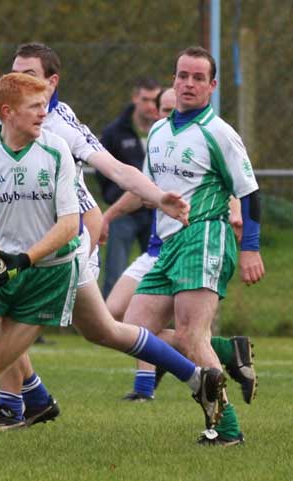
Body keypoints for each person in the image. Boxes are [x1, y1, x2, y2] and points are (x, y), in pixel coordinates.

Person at [0, 76, 227, 462]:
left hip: (46, 277)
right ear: (7, 112)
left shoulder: (56, 150)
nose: (44, 111)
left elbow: (70, 224)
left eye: (45, 102)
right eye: (35, 105)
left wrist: (24, 260)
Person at [114, 46, 264, 446]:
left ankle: (227, 429)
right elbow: (151, 191)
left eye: (199, 78)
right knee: (132, 330)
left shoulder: (219, 133)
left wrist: (250, 247)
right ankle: (224, 351)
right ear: (174, 80)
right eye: (183, 76)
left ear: (212, 86)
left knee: (189, 332)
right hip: (168, 244)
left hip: (206, 235)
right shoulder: (160, 131)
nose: (189, 84)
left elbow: (250, 193)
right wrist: (108, 218)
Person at [97, 77, 161, 298]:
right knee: (115, 270)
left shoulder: (164, 133)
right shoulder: (115, 132)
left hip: (155, 212)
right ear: (135, 98)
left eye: (155, 100)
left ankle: (153, 325)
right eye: (145, 99)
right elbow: (103, 171)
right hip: (123, 212)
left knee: (158, 271)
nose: (151, 106)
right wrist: (114, 198)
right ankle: (108, 326)